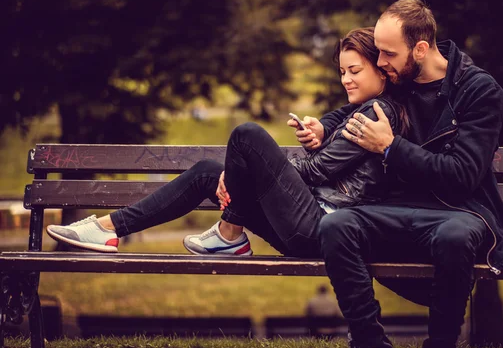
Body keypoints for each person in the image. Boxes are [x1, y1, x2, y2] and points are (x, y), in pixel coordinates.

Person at [46, 28, 408, 266]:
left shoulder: (377, 115)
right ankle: (109, 229)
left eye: (355, 71)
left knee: (247, 134)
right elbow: (333, 125)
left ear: (380, 69)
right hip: (308, 221)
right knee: (206, 172)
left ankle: (230, 233)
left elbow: (316, 171)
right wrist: (321, 130)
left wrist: (240, 178)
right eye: (342, 71)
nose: (345, 79)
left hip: (323, 230)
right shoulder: (358, 110)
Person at [295, 0, 503, 348]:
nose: (380, 62)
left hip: (460, 212)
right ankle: (370, 345)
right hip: (395, 208)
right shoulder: (401, 77)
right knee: (336, 225)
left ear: (419, 49)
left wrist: (390, 146)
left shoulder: (479, 91)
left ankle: (441, 346)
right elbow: (353, 108)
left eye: (387, 53)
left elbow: (462, 176)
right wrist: (323, 126)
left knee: (455, 236)